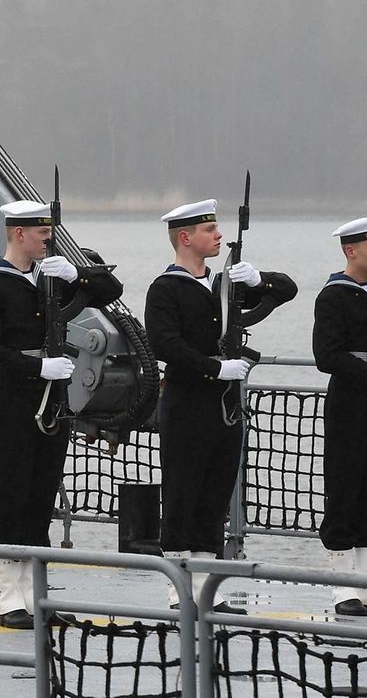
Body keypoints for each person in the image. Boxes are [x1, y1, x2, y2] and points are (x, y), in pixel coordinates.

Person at [0, 200, 122, 629]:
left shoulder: (51, 281)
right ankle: (9, 600)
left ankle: (36, 597)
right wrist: (36, 365)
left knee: (40, 500)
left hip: (54, 402)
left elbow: (112, 291)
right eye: (40, 232)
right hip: (17, 401)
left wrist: (78, 275)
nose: (47, 238)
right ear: (18, 233)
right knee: (11, 498)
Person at [145, 199, 295, 614]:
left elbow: (288, 289)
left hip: (224, 409)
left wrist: (260, 280)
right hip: (188, 402)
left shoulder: (223, 286)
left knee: (213, 497)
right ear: (185, 237)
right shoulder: (166, 288)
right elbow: (165, 344)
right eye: (210, 231)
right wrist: (215, 368)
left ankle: (209, 590)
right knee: (184, 494)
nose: (220, 237)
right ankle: (180, 591)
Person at [313, 216, 367, 616]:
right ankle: (342, 587)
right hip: (350, 405)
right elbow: (327, 355)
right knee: (345, 487)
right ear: (351, 250)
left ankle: (364, 583)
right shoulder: (334, 296)